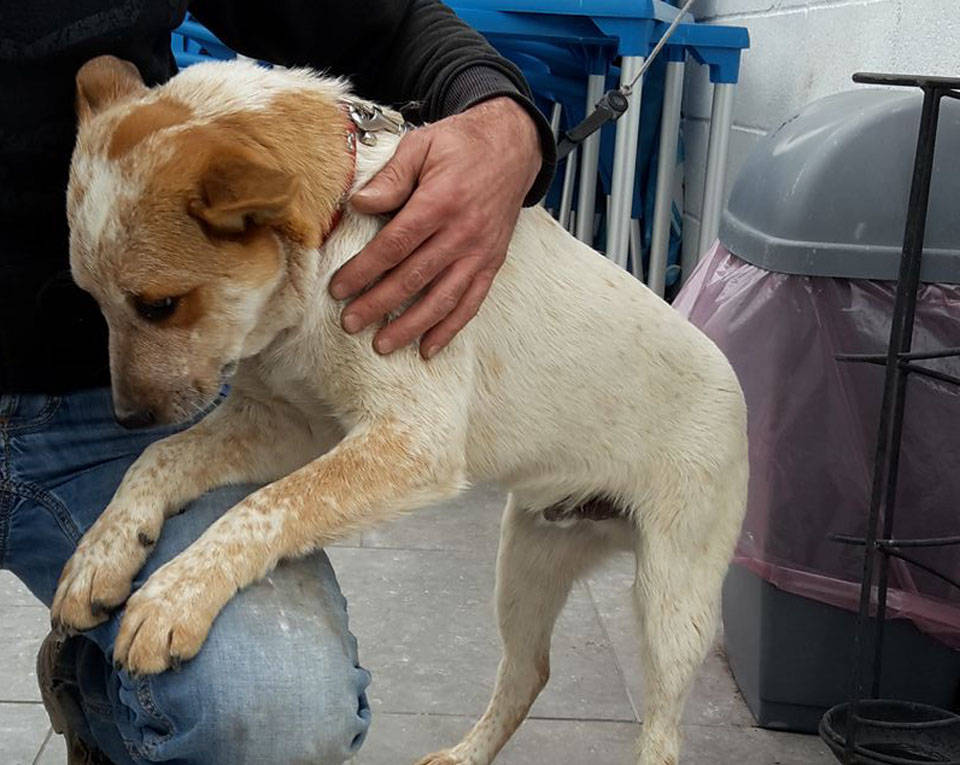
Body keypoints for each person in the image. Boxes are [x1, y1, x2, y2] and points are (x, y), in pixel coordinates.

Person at [0, 1, 555, 762]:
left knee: (277, 710)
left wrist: (501, 118)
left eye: (160, 307)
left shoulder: (240, 202)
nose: (136, 377)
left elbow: (379, 24)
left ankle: (104, 699)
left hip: (85, 408)